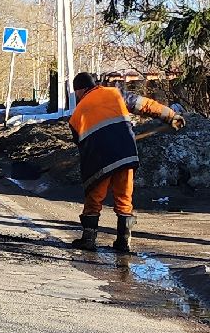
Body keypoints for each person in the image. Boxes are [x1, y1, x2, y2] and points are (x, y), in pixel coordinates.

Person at [68, 70, 184, 255]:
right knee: (124, 197)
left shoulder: (75, 116)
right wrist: (170, 116)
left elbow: (82, 146)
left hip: (98, 161)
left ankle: (89, 239)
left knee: (94, 198)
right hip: (125, 153)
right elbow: (145, 105)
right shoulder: (115, 93)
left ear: (80, 91)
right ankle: (123, 241)